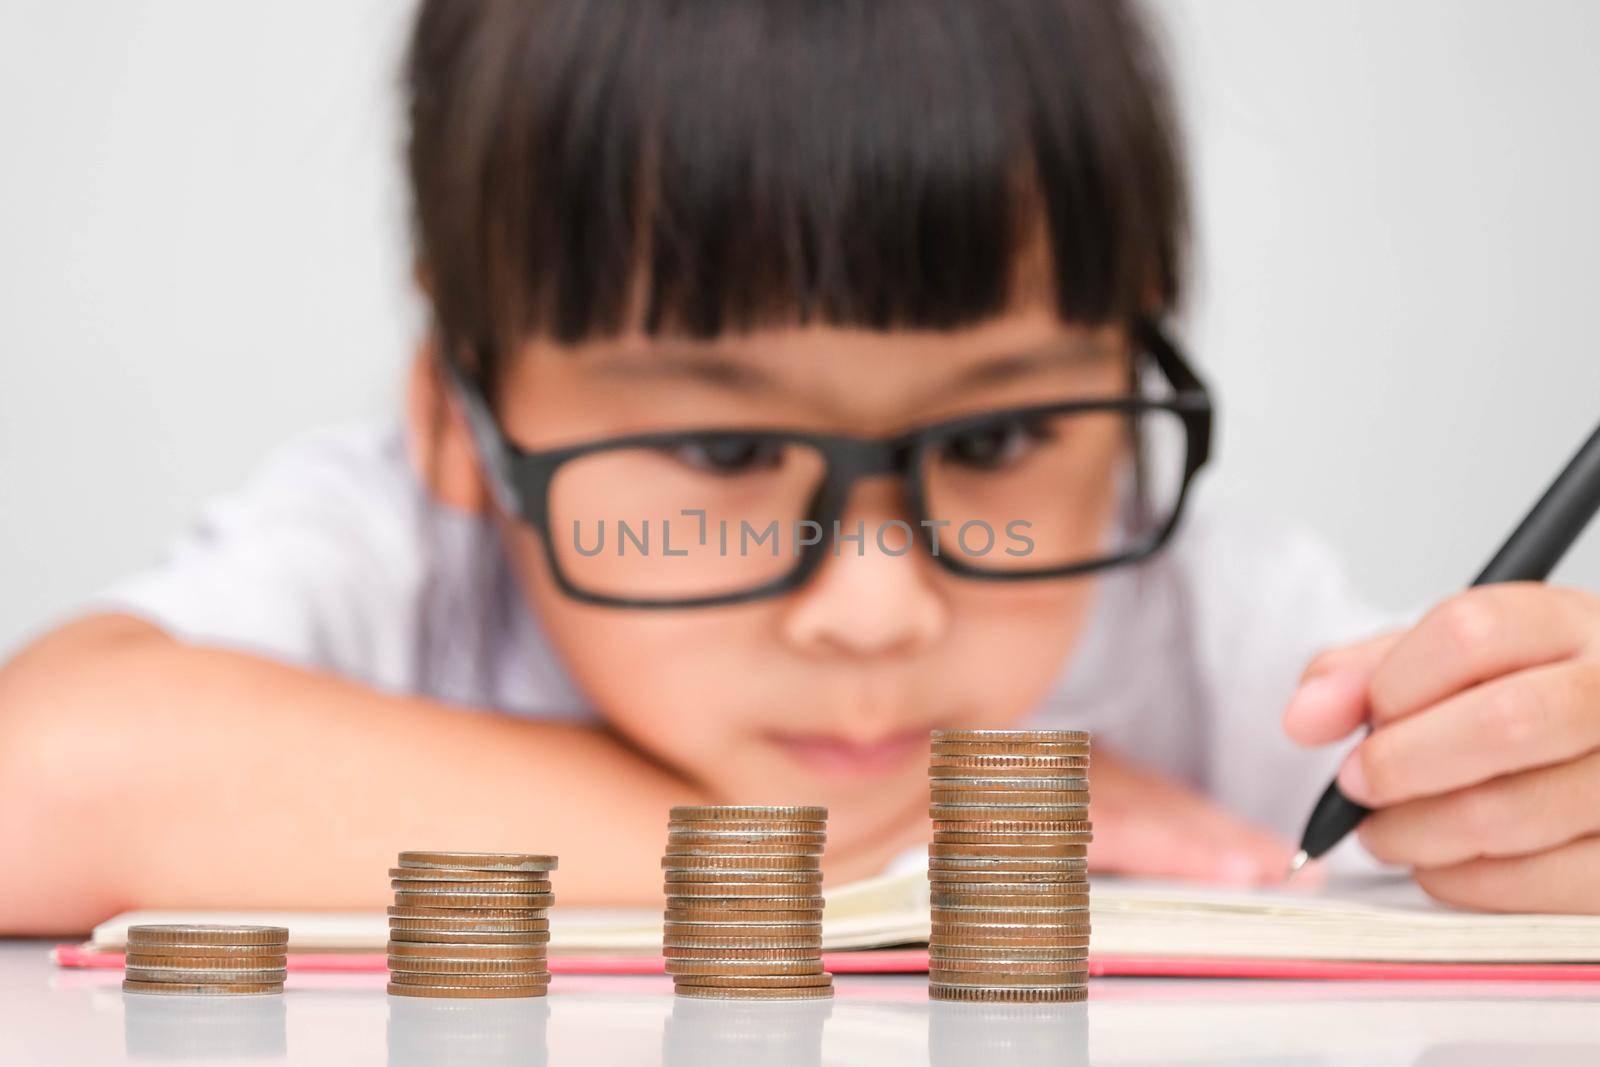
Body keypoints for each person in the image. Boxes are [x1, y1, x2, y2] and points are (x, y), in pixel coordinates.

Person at [3, 0, 1598, 935]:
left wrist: (1543, 782)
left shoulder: (1217, 630)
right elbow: (40, 779)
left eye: (989, 439)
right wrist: (932, 830)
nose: (874, 612)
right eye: (720, 445)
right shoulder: (397, 567)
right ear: (457, 425)